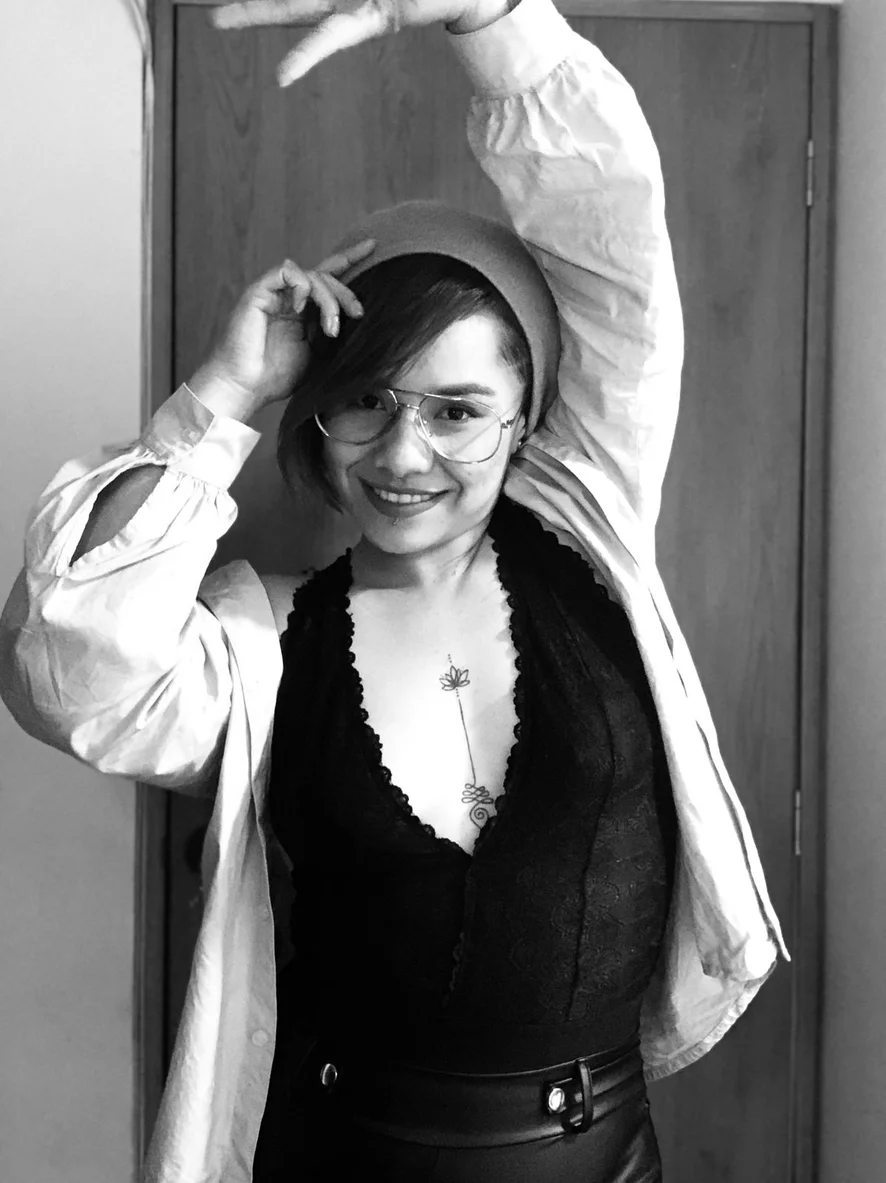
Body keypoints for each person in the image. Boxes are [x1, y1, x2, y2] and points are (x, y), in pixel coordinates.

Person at [0, 0, 788, 1180]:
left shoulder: (589, 535)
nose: (405, 454)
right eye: (366, 400)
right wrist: (222, 394)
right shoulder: (261, 645)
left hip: (610, 1156)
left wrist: (488, 14)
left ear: (526, 419)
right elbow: (68, 669)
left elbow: (611, 228)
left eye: (457, 410)